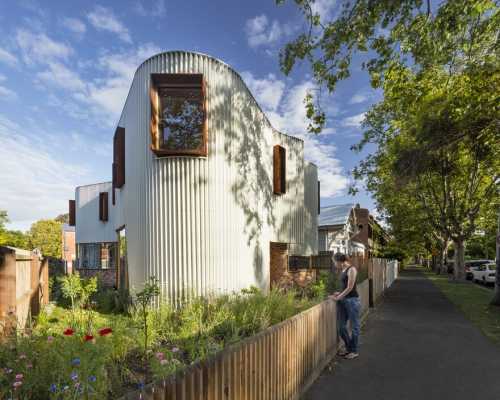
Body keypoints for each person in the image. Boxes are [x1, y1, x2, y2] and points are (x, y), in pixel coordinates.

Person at [331, 253, 360, 359]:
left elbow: (350, 287)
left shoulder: (352, 269)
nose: (334, 264)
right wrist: (339, 293)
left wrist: (338, 297)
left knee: (354, 327)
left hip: (352, 301)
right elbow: (344, 288)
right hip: (343, 301)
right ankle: (349, 348)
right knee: (341, 327)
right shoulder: (343, 270)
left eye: (334, 262)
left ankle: (354, 351)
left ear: (339, 261)